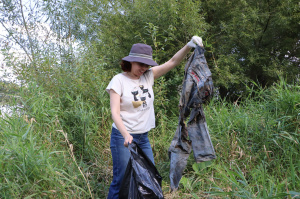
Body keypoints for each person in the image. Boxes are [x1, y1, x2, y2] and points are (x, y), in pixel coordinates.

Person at [105, 36, 203, 199]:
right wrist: (126, 134)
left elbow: (172, 62)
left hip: (143, 138)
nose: (143, 68)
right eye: (140, 64)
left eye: (146, 65)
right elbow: (115, 113)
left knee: (149, 177)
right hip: (122, 138)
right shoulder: (118, 81)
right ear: (130, 62)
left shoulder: (148, 76)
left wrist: (188, 46)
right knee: (121, 179)